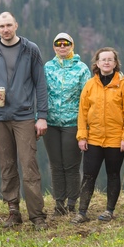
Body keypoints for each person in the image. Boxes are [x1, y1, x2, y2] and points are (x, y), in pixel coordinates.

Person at [0, 12, 49, 230]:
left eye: (9, 25)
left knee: (29, 165)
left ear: (16, 25)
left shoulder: (30, 49)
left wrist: (42, 116)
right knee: (6, 165)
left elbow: (40, 84)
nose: (5, 29)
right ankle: (13, 212)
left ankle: (37, 216)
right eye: (1, 26)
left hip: (25, 115)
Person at [71, 47, 124, 224]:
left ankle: (109, 211)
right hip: (93, 139)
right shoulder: (90, 85)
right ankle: (82, 212)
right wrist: (82, 136)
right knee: (88, 175)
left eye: (110, 59)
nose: (106, 62)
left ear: (115, 63)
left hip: (116, 140)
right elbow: (82, 112)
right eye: (103, 59)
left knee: (113, 174)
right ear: (97, 63)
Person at [43, 32, 91, 216]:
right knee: (56, 164)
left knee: (71, 165)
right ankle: (59, 204)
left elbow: (86, 99)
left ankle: (72, 203)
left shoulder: (81, 69)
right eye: (58, 43)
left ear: (72, 46)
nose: (62, 47)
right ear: (54, 46)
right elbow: (42, 93)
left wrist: (84, 126)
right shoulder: (48, 67)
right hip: (51, 123)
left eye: (66, 43)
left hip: (72, 122)